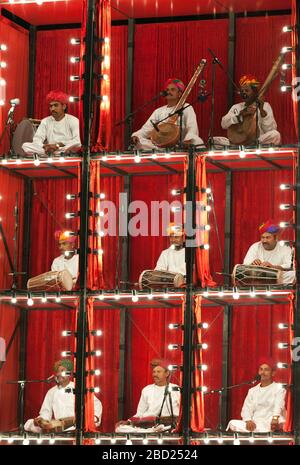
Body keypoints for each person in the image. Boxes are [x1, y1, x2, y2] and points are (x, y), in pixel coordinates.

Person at [24, 359, 102, 432]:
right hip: (60, 433)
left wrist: (90, 420)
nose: (59, 374)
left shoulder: (78, 388)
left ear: (69, 374)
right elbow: (46, 414)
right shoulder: (51, 392)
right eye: (57, 371)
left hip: (78, 431)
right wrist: (40, 421)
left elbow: (96, 405)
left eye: (62, 371)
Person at [131, 78, 204, 150]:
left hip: (180, 145)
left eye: (172, 89)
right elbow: (146, 129)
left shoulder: (186, 107)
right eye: (167, 90)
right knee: (140, 142)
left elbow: (192, 127)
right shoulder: (158, 111)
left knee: (197, 141)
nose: (169, 92)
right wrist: (137, 136)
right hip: (161, 146)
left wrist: (188, 140)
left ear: (180, 93)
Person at [115, 358, 181, 433]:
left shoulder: (175, 389)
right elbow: (140, 413)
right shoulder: (147, 389)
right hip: (149, 425)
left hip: (169, 426)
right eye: (154, 372)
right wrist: (128, 422)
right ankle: (151, 431)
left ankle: (154, 430)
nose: (155, 374)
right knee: (120, 428)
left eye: (158, 372)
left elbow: (182, 412)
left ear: (167, 373)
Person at [213, 75, 281, 147]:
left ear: (254, 92)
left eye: (247, 90)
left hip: (257, 142)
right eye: (242, 91)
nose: (244, 93)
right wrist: (240, 115)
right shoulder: (236, 107)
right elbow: (223, 124)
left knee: (275, 135)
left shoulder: (265, 106)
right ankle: (241, 147)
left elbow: (270, 130)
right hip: (237, 142)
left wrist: (262, 111)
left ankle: (251, 145)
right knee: (214, 140)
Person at [227, 358, 286, 432]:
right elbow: (246, 409)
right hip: (255, 424)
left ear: (273, 373)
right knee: (232, 423)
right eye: (261, 369)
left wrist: (275, 418)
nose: (262, 372)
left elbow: (279, 405)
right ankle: (257, 432)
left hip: (270, 422)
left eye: (266, 370)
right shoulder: (252, 390)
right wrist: (248, 421)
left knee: (275, 425)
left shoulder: (279, 388)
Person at [22, 90, 81, 156]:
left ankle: (54, 153)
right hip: (49, 149)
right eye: (51, 106)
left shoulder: (73, 120)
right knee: (25, 146)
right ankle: (54, 153)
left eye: (56, 105)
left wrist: (57, 145)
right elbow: (37, 139)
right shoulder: (45, 121)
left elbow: (77, 140)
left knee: (78, 143)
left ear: (64, 106)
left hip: (64, 148)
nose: (52, 109)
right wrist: (45, 147)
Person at [243, 219, 295, 284]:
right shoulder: (255, 246)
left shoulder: (284, 248)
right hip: (258, 278)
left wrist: (273, 267)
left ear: (276, 238)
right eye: (262, 237)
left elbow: (290, 266)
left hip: (278, 278)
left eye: (268, 237)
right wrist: (252, 264)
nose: (264, 241)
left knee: (293, 274)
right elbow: (245, 265)